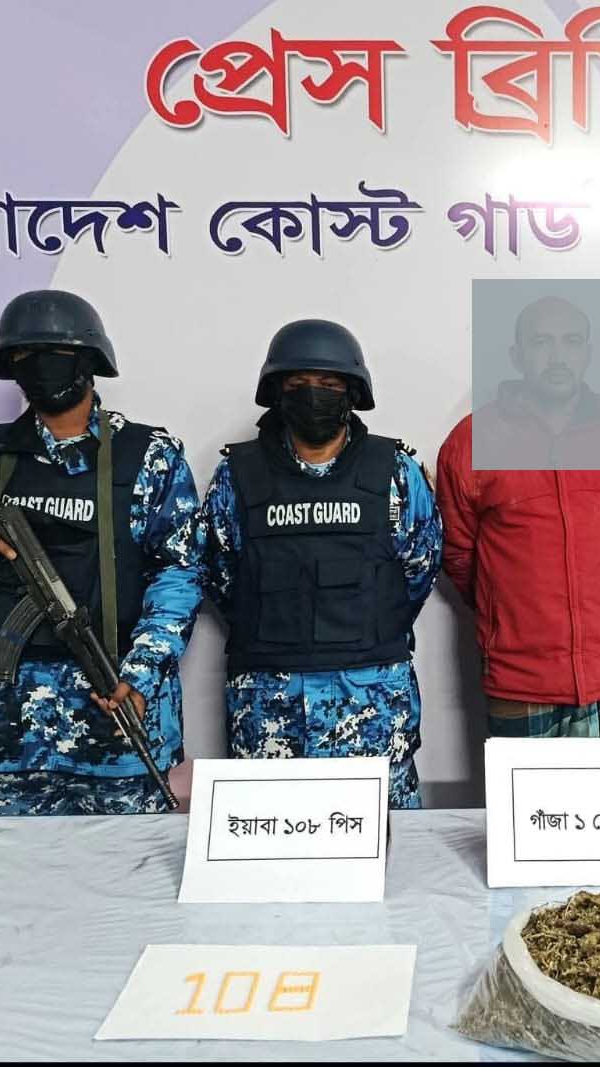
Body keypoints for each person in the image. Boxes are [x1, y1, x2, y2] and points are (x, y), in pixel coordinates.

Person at [0, 289, 204, 815]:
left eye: (58, 354)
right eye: (26, 355)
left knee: (131, 867)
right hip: (10, 724)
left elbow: (181, 572)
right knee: (16, 866)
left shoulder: (149, 456)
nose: (42, 366)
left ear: (89, 361)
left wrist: (141, 672)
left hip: (114, 715)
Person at [198, 319, 442, 808]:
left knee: (385, 844)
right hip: (268, 708)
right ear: (277, 392)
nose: (314, 394)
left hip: (371, 705)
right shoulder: (236, 475)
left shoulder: (395, 472)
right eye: (299, 384)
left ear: (352, 392)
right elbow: (220, 575)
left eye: (329, 384)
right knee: (268, 838)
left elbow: (420, 567)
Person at [437, 294, 600, 738]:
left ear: (588, 353)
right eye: (541, 342)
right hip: (519, 675)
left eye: (571, 341)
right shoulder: (472, 439)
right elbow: (459, 553)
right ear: (516, 355)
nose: (557, 356)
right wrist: (508, 612)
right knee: (524, 789)